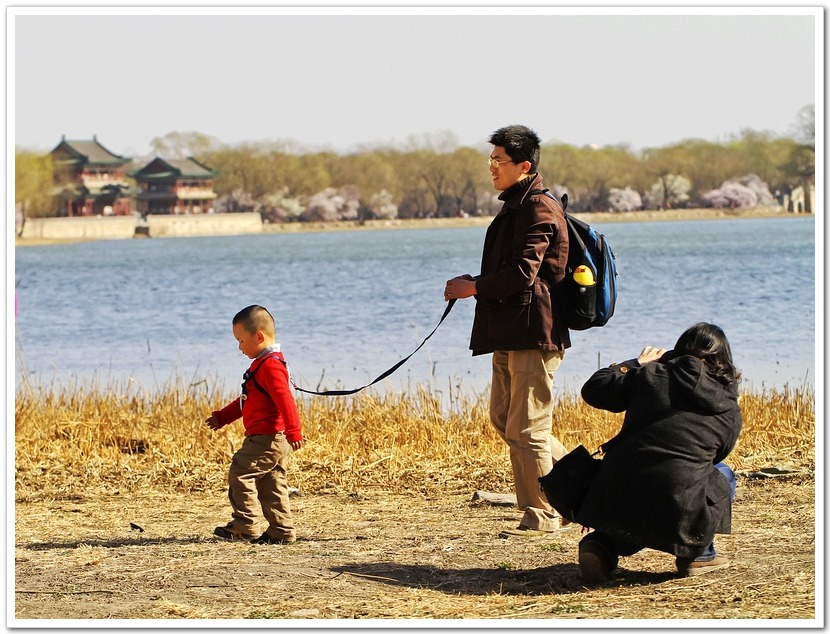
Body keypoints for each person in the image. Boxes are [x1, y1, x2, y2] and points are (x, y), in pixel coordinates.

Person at [444, 124, 571, 538]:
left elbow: (523, 273)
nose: (491, 168)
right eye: (491, 160)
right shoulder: (516, 203)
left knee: (529, 429)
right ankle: (579, 487)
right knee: (504, 419)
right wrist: (476, 282)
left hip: (535, 333)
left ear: (524, 165)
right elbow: (512, 271)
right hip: (510, 329)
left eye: (498, 161)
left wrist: (474, 288)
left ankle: (543, 515)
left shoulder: (538, 207)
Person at [575, 322, 742, 582]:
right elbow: (718, 453)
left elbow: (594, 389)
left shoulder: (649, 376)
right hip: (677, 498)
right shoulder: (726, 402)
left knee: (639, 496)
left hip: (617, 490)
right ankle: (698, 554)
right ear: (723, 360)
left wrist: (634, 363)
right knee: (723, 473)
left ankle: (602, 546)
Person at [206, 304, 304, 545]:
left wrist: (295, 430)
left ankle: (245, 523)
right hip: (273, 438)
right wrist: (222, 417)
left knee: (240, 472)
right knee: (272, 484)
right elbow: (246, 402)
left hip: (267, 438)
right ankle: (280, 530)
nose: (239, 347)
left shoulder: (269, 366)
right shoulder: (265, 364)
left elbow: (285, 400)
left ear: (258, 336)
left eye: (240, 341)